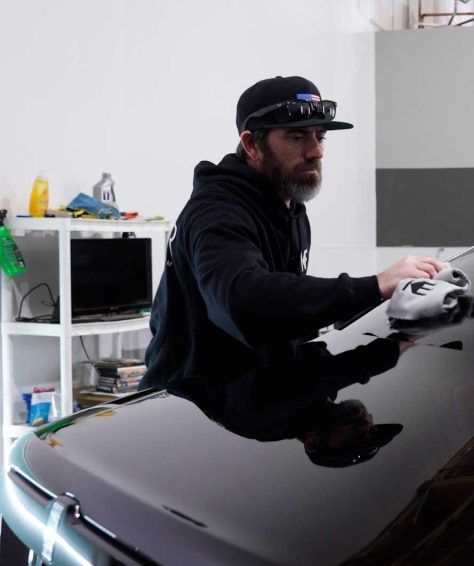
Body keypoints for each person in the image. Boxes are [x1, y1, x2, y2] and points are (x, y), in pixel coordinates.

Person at [141, 76, 442, 389]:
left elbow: (284, 313)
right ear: (252, 144)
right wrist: (374, 286)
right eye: (298, 137)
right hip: (189, 410)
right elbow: (246, 303)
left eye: (320, 136)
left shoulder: (290, 207)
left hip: (252, 401)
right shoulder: (217, 213)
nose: (316, 152)